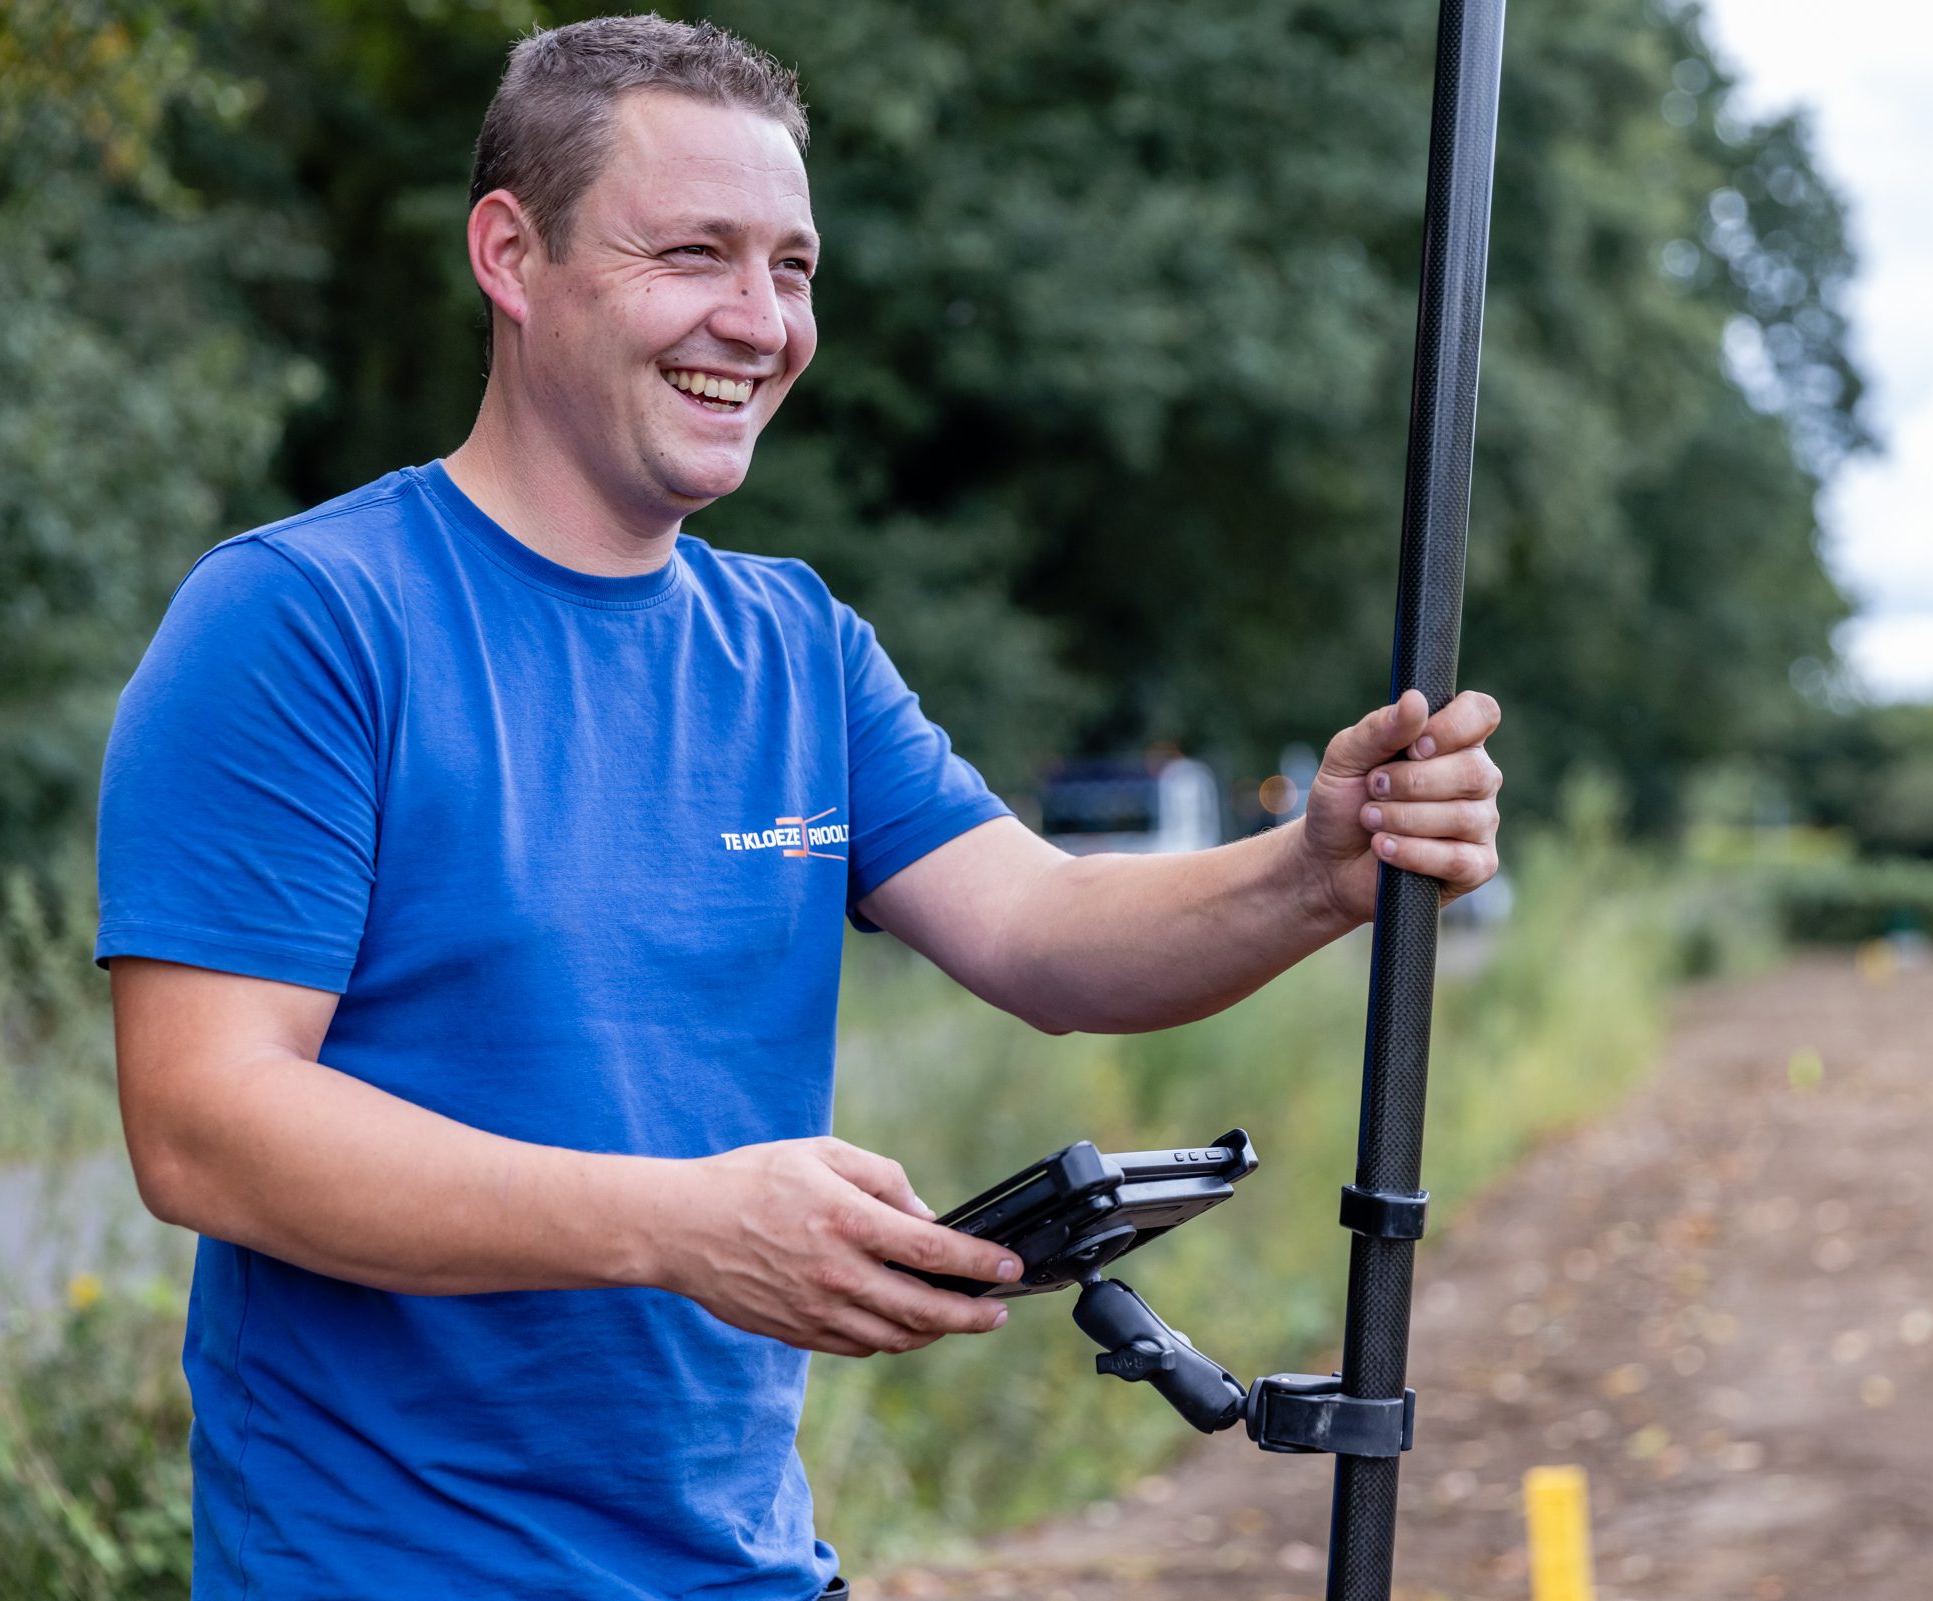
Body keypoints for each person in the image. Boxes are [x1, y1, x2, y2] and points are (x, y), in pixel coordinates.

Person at [96, 15, 1505, 1601]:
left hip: (750, 1570)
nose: (758, 322)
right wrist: (681, 1224)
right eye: (694, 252)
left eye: (795, 266)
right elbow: (205, 1124)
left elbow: (1044, 933)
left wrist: (1319, 867)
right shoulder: (302, 618)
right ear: (511, 251)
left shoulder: (794, 643)